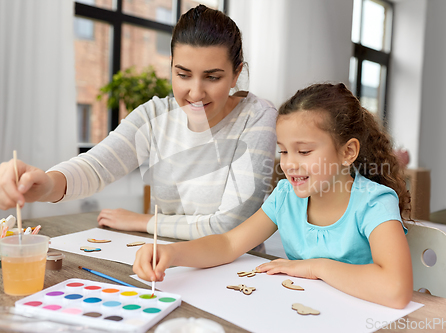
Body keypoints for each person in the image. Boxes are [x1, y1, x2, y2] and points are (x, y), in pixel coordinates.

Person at [0, 5, 278, 241]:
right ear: (171, 66)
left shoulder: (257, 118)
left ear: (236, 73)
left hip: (237, 271)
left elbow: (227, 227)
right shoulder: (155, 115)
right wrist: (47, 184)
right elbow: (96, 167)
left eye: (212, 77)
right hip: (163, 261)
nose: (195, 92)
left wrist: (142, 222)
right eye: (183, 74)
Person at [133, 83, 414, 309]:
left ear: (347, 152)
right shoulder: (286, 197)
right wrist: (172, 253)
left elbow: (396, 290)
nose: (289, 163)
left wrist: (314, 267)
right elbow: (229, 243)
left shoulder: (374, 203)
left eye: (303, 151)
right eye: (283, 150)